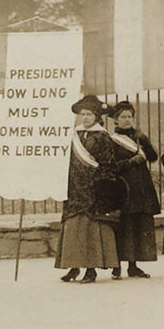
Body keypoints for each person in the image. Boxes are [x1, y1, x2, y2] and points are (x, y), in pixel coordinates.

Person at [56, 95, 120, 284]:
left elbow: (108, 166)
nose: (84, 118)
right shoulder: (74, 134)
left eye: (89, 114)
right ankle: (73, 267)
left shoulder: (103, 137)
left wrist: (101, 188)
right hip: (74, 189)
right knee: (72, 229)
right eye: (82, 114)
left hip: (93, 191)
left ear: (97, 117)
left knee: (90, 230)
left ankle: (90, 270)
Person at [109, 101, 159, 278]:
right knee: (123, 226)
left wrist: (144, 139)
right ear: (116, 120)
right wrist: (130, 162)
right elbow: (109, 166)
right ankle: (117, 267)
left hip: (141, 188)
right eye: (123, 117)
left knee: (137, 226)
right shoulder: (112, 140)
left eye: (130, 116)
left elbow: (153, 158)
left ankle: (133, 266)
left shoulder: (138, 138)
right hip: (123, 188)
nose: (127, 120)